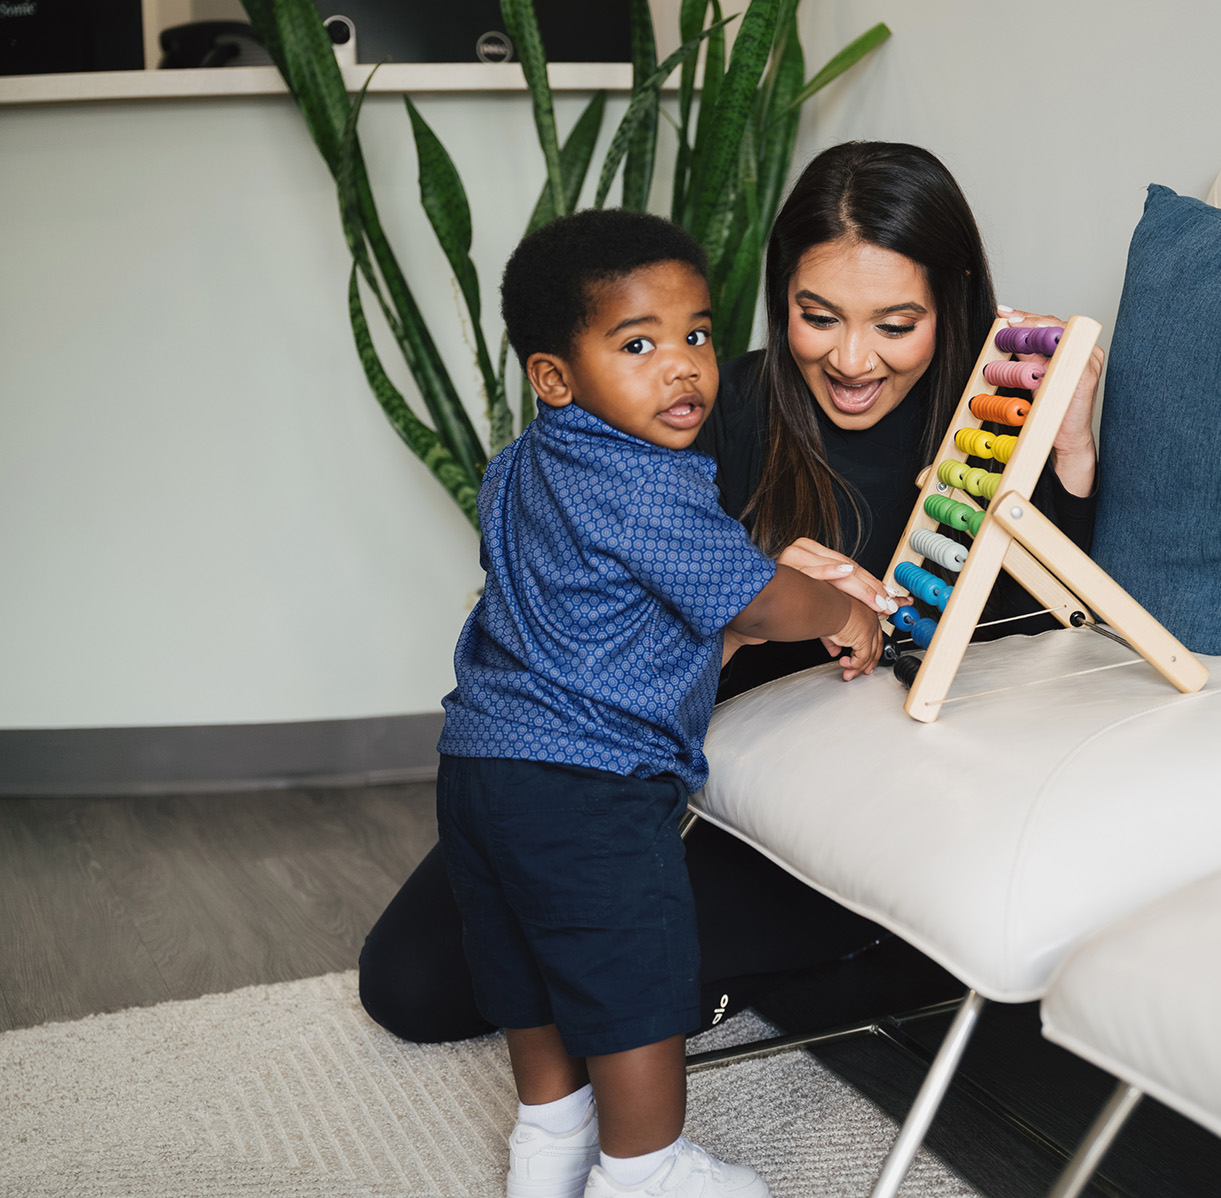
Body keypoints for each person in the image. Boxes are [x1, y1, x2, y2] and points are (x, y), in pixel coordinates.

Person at [359, 140, 1104, 1047]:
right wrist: (755, 592)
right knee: (411, 983)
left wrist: (1068, 459)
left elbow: (1055, 640)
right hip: (644, 761)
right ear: (779, 296)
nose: (854, 360)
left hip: (835, 790)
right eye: (817, 316)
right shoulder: (699, 404)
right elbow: (586, 617)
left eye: (895, 324)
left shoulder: (990, 434)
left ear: (950, 303)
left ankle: (801, 958)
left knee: (590, 974)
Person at [440, 206, 881, 1198]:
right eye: (637, 344)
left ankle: (549, 1147)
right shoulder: (650, 487)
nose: (680, 366)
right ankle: (645, 1170)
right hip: (591, 788)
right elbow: (765, 601)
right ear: (554, 376)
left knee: (533, 972)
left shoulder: (517, 468)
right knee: (635, 983)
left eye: (696, 336)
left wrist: (696, 635)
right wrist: (842, 610)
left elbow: (578, 609)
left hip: (478, 766)